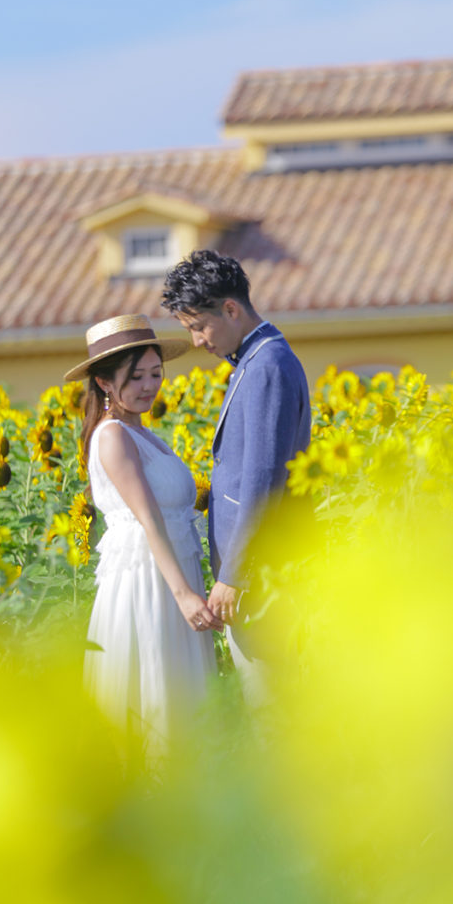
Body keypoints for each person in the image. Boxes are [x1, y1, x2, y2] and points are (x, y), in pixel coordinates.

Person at [64, 314, 222, 755]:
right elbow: (149, 521)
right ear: (104, 383)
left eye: (155, 374)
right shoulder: (113, 436)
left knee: (183, 701)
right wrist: (185, 595)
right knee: (155, 695)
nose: (149, 386)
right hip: (148, 586)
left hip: (171, 578)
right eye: (136, 377)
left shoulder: (147, 435)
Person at [161, 251, 311, 700]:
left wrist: (234, 576)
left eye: (197, 326)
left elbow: (263, 481)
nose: (196, 340)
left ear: (230, 309)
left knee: (270, 707)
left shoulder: (266, 366)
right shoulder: (256, 360)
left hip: (261, 576)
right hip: (258, 572)